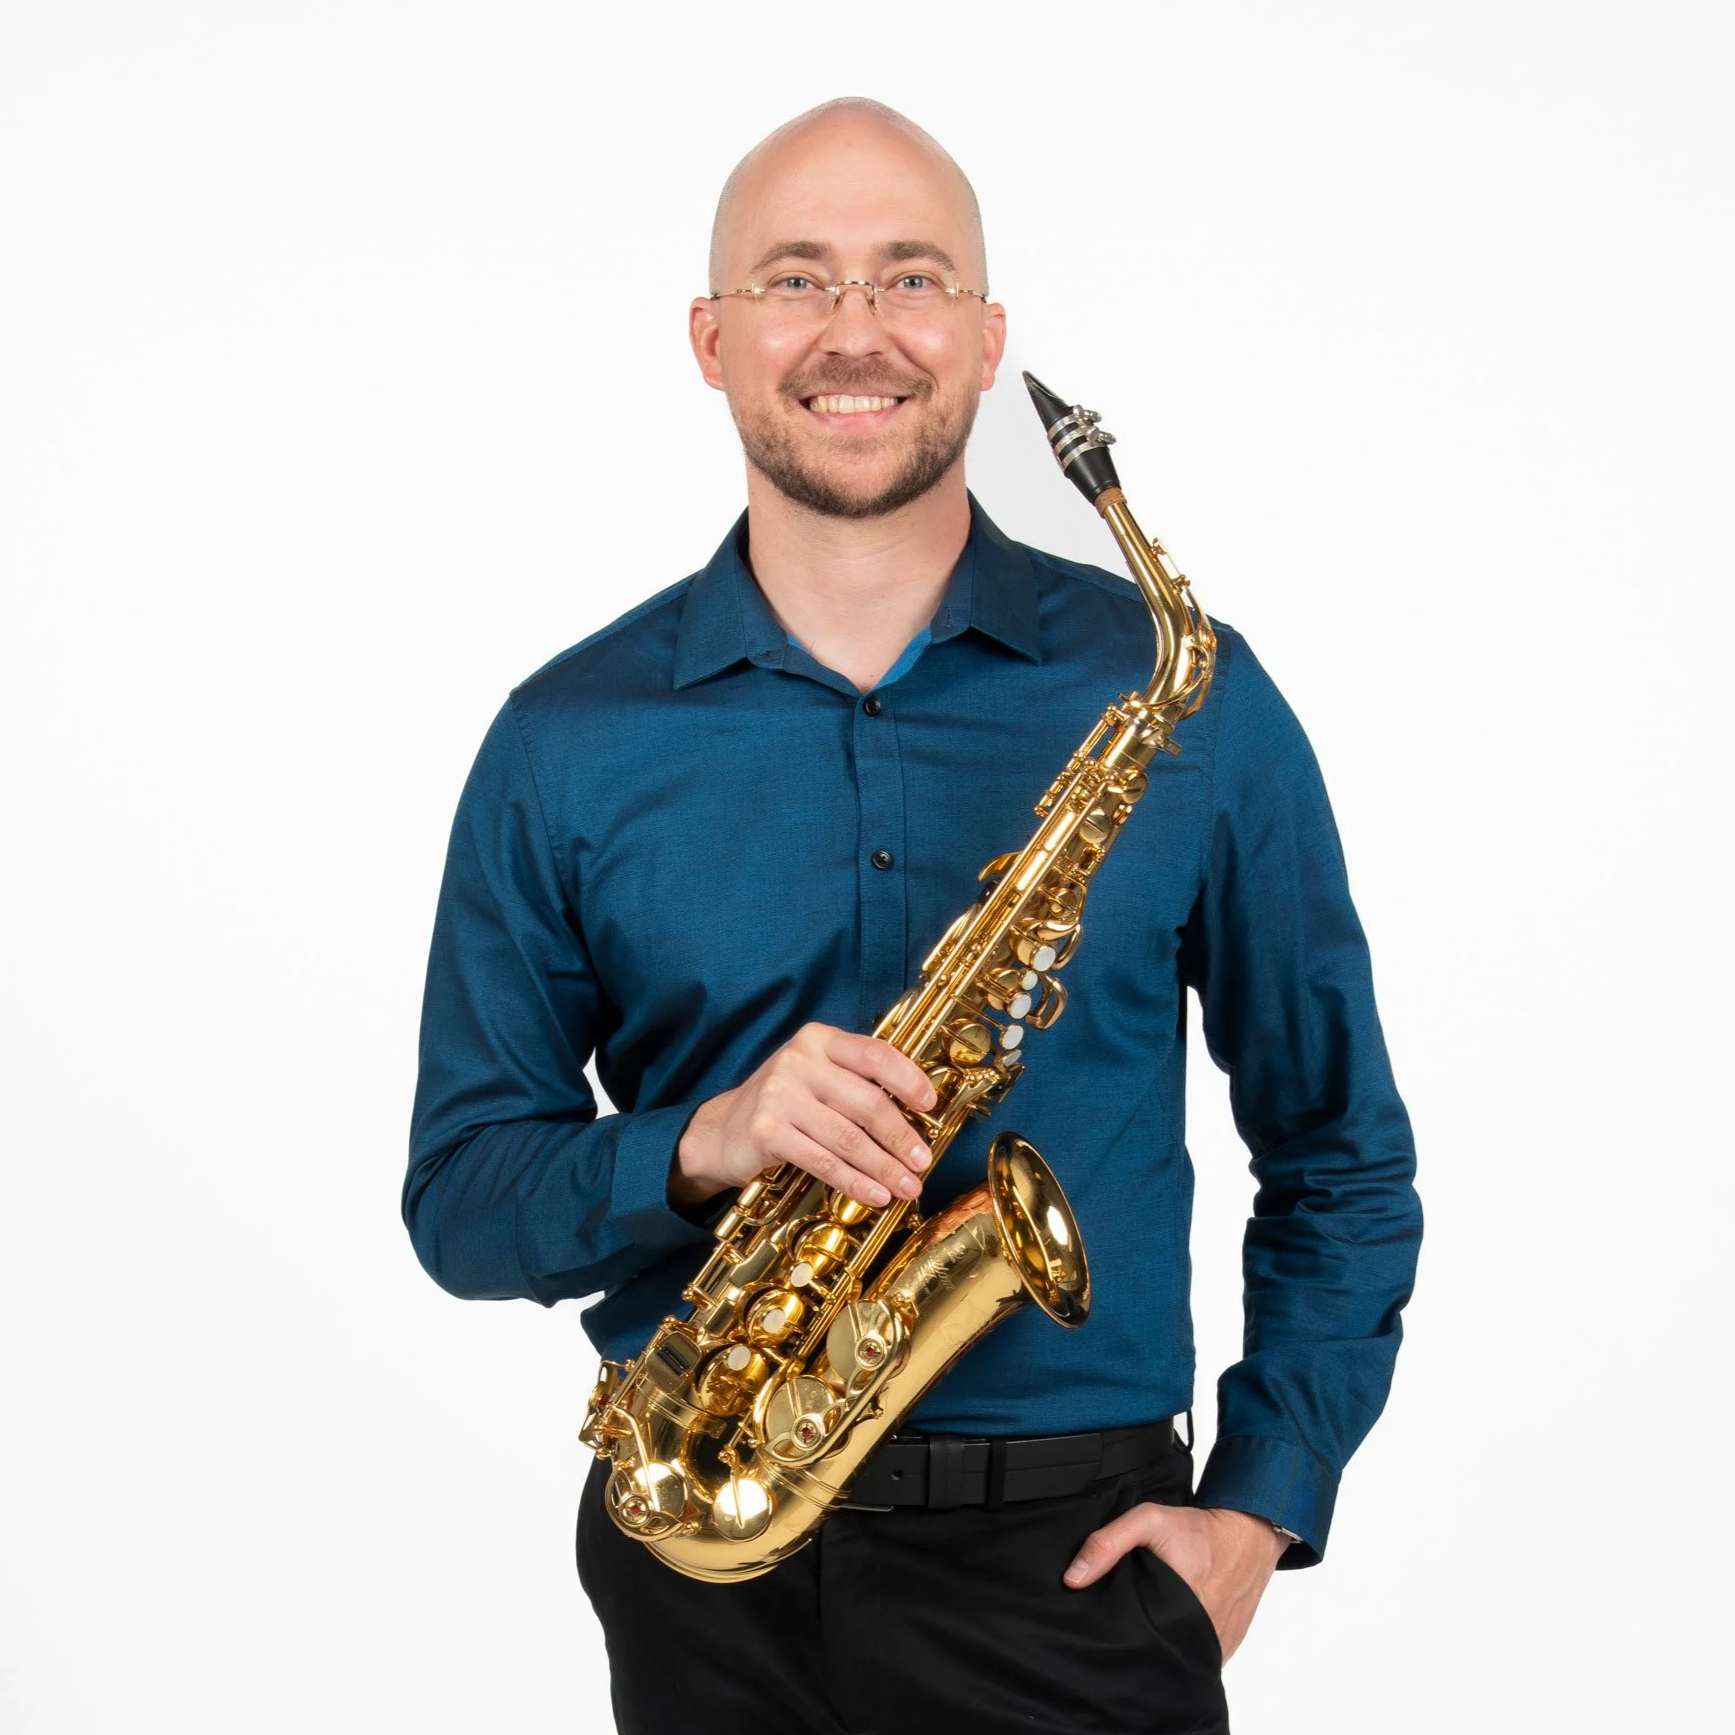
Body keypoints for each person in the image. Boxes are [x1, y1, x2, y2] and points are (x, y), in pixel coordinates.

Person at [404, 96, 1421, 1735]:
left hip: (1079, 1572)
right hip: (703, 1553)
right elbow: (461, 1197)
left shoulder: (1185, 693)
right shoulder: (564, 740)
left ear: (985, 334)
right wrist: (705, 1137)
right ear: (712, 338)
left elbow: (1339, 1152)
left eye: (911, 278)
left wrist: (1259, 1507)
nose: (855, 331)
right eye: (796, 280)